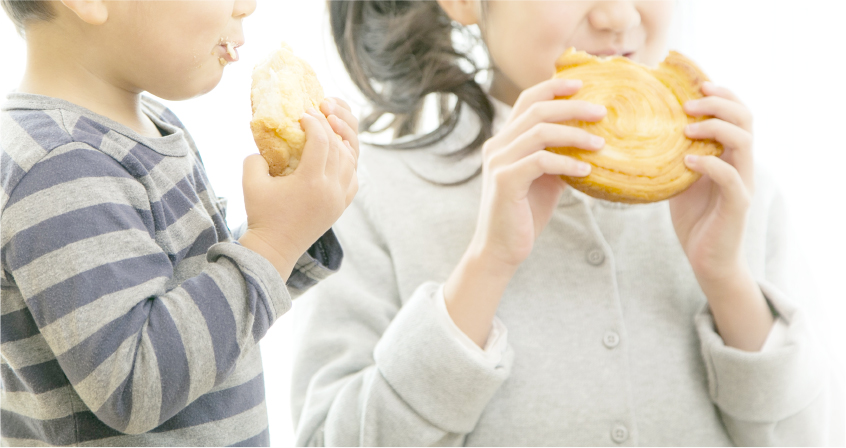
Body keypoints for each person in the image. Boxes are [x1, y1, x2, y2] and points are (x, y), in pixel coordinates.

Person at [291, 1, 839, 445]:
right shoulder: (369, 195)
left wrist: (727, 279)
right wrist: (487, 266)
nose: (619, 17)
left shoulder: (734, 186)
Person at [0, 0, 359, 445]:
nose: (248, 6)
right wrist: (275, 241)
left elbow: (216, 316)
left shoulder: (155, 125)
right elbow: (136, 384)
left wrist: (303, 224)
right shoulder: (59, 166)